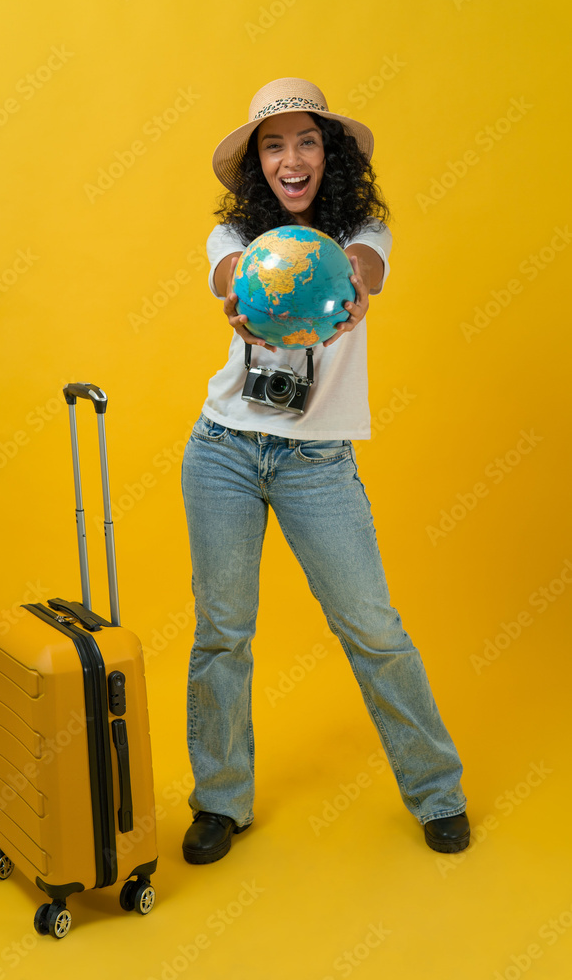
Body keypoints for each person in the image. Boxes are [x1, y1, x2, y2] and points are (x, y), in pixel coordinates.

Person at [180, 77, 469, 864]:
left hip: (317, 463)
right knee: (222, 634)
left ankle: (436, 792)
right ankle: (219, 801)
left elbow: (365, 271)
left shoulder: (360, 233)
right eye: (273, 146)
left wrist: (350, 284)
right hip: (223, 451)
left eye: (305, 141)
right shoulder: (234, 241)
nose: (290, 158)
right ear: (257, 165)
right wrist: (238, 293)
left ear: (328, 153)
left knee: (372, 630)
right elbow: (224, 280)